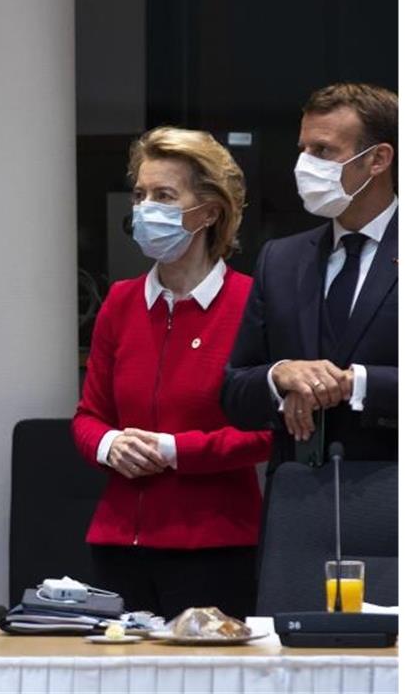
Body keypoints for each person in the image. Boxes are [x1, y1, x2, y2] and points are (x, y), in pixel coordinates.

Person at [72, 127, 272, 620]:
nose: (145, 209)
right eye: (140, 195)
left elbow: (269, 431)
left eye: (164, 196)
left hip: (215, 545)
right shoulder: (120, 301)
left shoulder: (251, 302)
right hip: (119, 545)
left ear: (209, 211)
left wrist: (174, 451)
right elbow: (88, 416)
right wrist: (109, 445)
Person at [222, 83, 397, 470]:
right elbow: (234, 392)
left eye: (323, 151)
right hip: (298, 495)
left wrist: (356, 384)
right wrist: (280, 376)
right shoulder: (280, 260)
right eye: (303, 149)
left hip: (396, 497)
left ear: (378, 159)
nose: (305, 165)